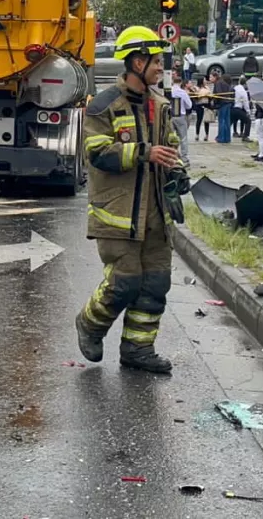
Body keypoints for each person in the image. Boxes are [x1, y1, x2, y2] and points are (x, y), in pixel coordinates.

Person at [75, 26, 186, 373]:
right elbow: (97, 153)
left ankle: (138, 350)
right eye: (155, 62)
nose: (160, 68)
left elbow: (171, 146)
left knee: (155, 283)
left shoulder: (160, 105)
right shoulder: (103, 105)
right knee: (124, 282)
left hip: (156, 215)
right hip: (119, 215)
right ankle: (90, 324)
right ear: (137, 62)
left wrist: (177, 169)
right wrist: (144, 152)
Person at [170, 80, 193, 161]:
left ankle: (171, 155)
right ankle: (184, 157)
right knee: (183, 138)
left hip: (170, 116)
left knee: (171, 137)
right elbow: (189, 106)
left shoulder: (168, 91)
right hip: (180, 116)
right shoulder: (183, 93)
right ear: (180, 83)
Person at [212, 71, 234, 143]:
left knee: (222, 121)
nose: (210, 79)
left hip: (222, 103)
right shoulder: (224, 82)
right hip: (228, 102)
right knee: (227, 121)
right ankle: (227, 138)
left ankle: (221, 138)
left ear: (215, 77)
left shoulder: (218, 83)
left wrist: (214, 102)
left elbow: (218, 94)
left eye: (211, 77)